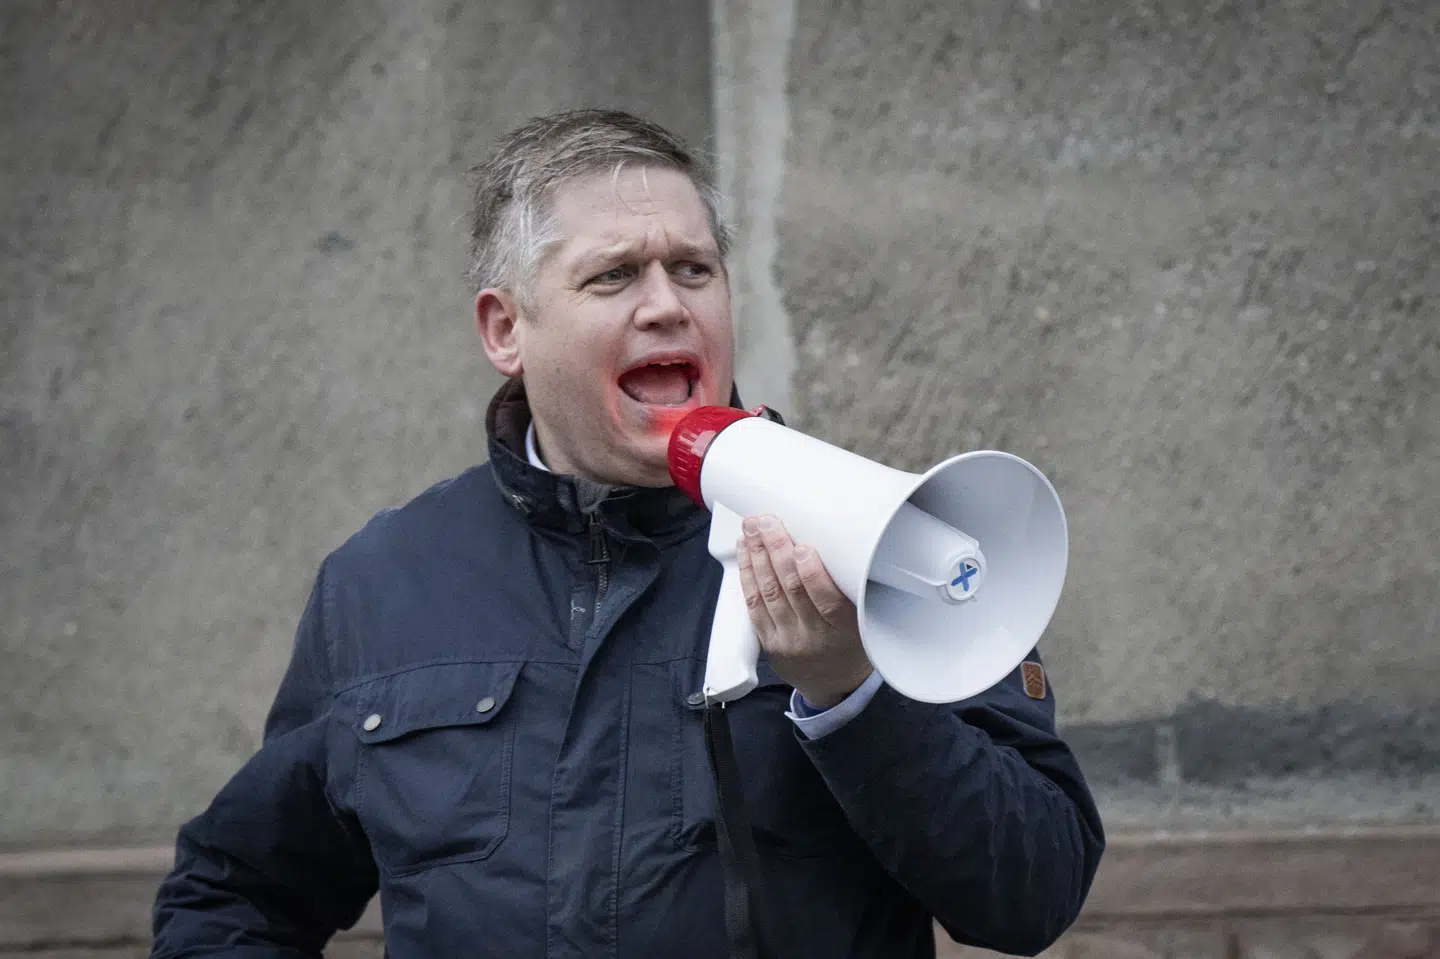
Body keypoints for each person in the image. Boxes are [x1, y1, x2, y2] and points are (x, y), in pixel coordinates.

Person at [150, 108, 1105, 959]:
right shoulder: (382, 582)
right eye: (614, 275)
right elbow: (232, 896)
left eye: (694, 268)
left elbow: (1035, 891)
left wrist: (850, 693)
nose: (666, 305)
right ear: (506, 329)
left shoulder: (874, 539)